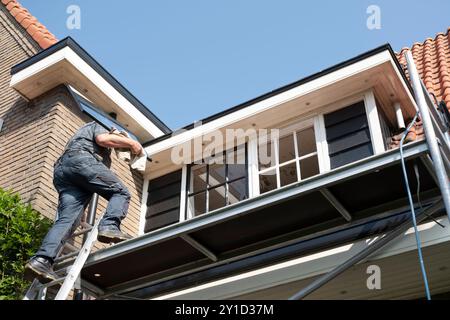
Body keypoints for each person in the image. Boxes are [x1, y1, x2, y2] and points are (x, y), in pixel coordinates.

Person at [24, 121, 143, 283]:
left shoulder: (80, 139)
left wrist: (81, 210)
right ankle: (109, 226)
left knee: (68, 220)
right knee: (121, 192)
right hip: (80, 160)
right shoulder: (100, 125)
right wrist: (132, 143)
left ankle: (42, 261)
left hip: (63, 172)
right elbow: (102, 139)